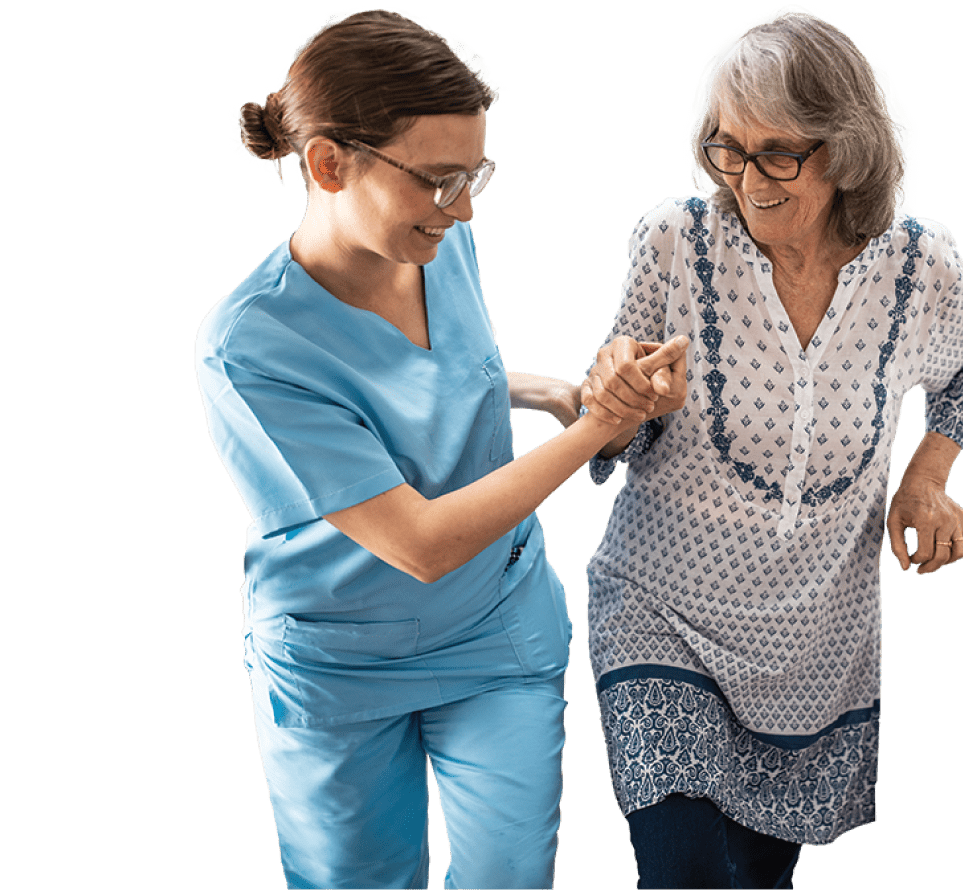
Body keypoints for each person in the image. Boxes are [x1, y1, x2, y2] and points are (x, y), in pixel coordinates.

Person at [194, 9, 686, 889]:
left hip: (495, 625)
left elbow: (425, 384)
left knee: (510, 876)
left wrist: (542, 390)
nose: (460, 207)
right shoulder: (248, 345)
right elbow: (419, 541)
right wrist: (597, 428)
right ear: (328, 163)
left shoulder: (433, 238)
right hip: (341, 657)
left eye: (473, 175)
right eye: (437, 179)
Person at [579, 8, 963, 889]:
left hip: (815, 642)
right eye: (726, 149)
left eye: (779, 152)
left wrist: (926, 480)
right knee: (685, 873)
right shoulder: (674, 243)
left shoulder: (918, 267)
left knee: (757, 878)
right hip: (661, 607)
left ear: (845, 151)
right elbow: (610, 413)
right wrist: (616, 399)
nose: (747, 179)